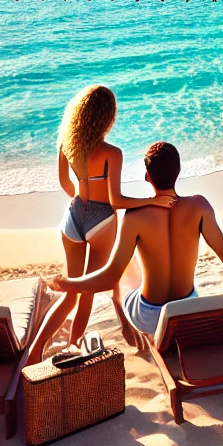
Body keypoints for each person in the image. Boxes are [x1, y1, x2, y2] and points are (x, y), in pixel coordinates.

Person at [28, 141, 223, 363]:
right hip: (188, 308)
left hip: (151, 317)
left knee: (124, 267)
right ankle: (126, 307)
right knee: (131, 264)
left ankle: (124, 312)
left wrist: (68, 283)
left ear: (147, 177)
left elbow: (108, 277)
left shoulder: (135, 216)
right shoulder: (199, 206)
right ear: (179, 171)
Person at [54, 86, 174, 347]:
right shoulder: (112, 153)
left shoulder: (66, 144)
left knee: (74, 292)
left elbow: (65, 183)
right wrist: (153, 200)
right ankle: (74, 345)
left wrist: (82, 198)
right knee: (90, 286)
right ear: (107, 117)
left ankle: (40, 349)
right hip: (101, 220)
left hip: (74, 218)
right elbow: (116, 201)